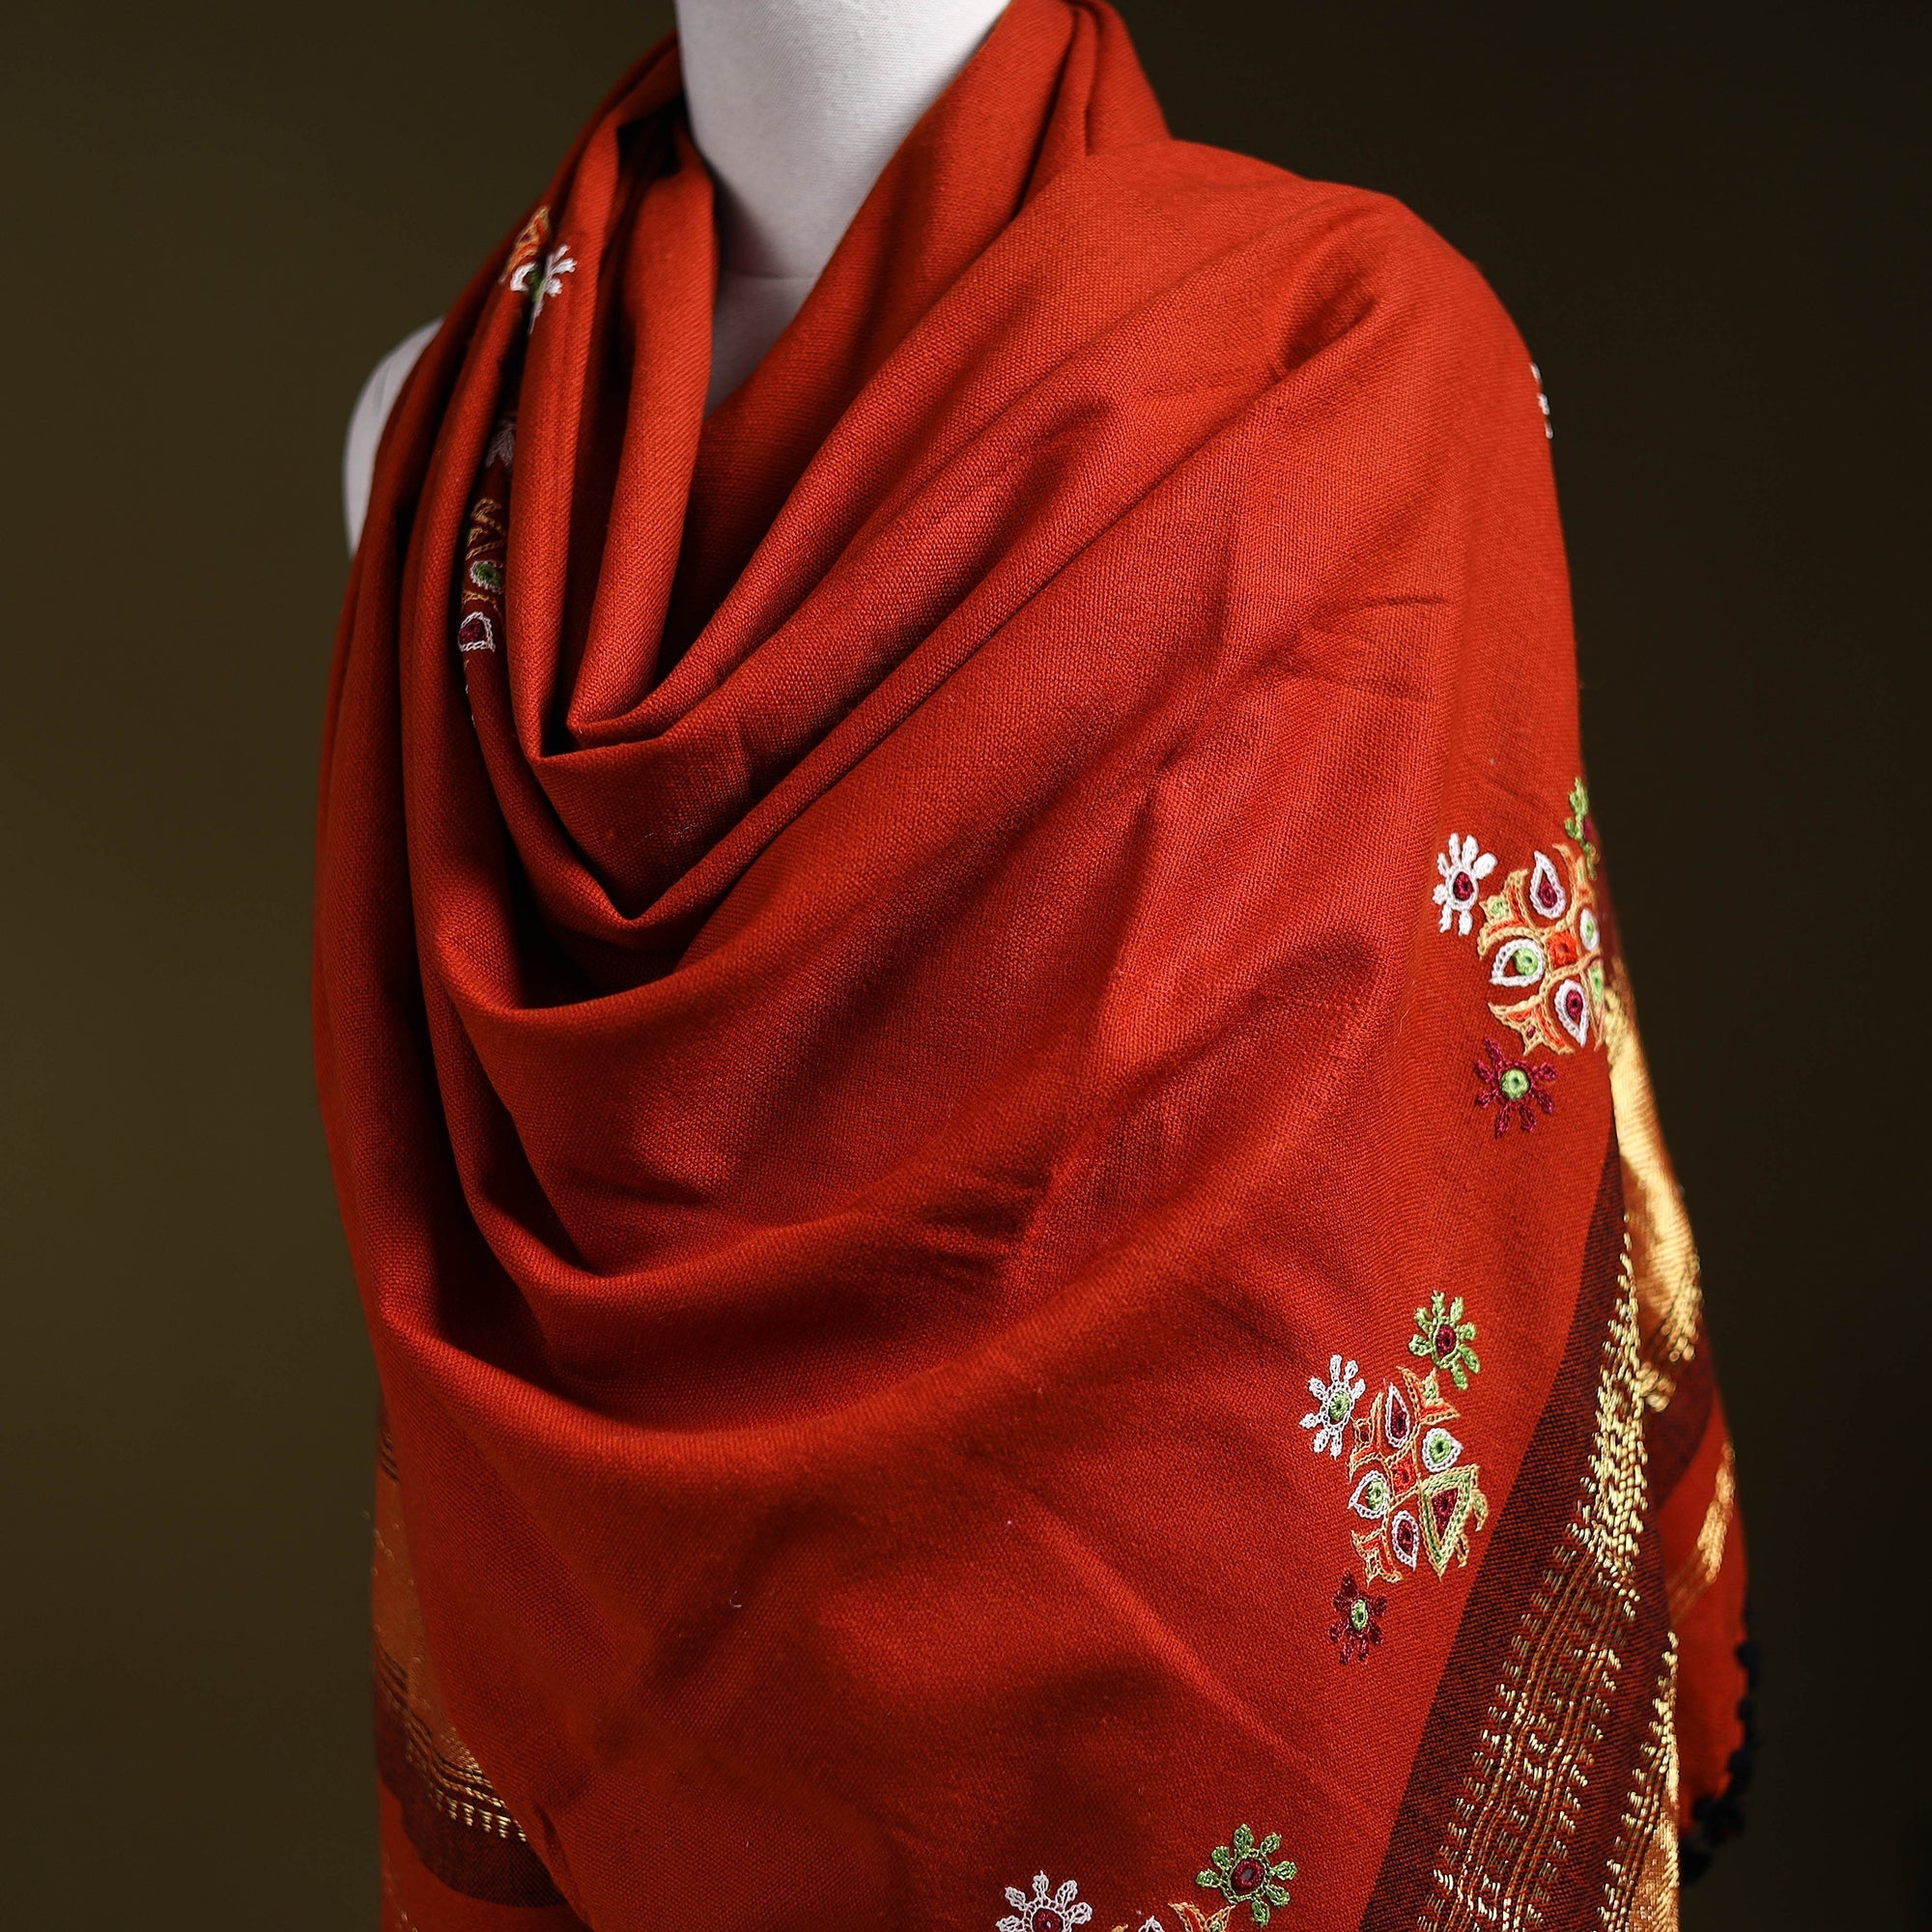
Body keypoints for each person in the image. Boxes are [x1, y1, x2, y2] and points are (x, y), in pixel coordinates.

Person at [316, 4, 1752, 1927]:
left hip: (1211, 1752)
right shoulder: (453, 442)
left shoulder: (1349, 355)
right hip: (639, 1778)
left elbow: (1399, 1193)